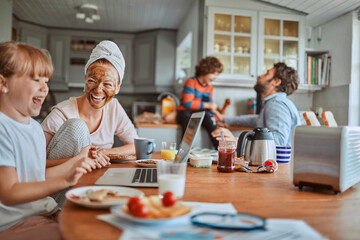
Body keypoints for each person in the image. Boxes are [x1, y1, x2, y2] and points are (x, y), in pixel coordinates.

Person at [0, 41, 100, 239]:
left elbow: (37, 177)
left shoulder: (35, 128)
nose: (44, 88)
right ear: (4, 84)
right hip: (12, 223)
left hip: (41, 213)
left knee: (93, 225)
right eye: (36, 79)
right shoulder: (2, 128)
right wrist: (65, 180)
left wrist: (78, 160)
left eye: (46, 81)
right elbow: (9, 193)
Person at [41, 40, 138, 167]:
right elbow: (33, 161)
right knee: (77, 125)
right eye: (92, 80)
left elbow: (136, 145)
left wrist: (103, 152)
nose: (98, 90)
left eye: (107, 84)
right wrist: (82, 159)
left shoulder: (113, 108)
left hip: (95, 179)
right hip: (62, 179)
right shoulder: (63, 112)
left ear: (118, 87)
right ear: (85, 80)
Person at [212, 62, 301, 146]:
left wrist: (238, 141)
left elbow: (279, 141)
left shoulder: (276, 104)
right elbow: (256, 119)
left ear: (276, 82)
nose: (260, 76)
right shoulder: (274, 102)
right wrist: (226, 120)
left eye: (266, 74)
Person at [176, 56, 223, 148]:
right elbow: (188, 103)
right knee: (187, 117)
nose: (215, 77)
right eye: (213, 73)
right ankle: (185, 150)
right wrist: (208, 105)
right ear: (204, 70)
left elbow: (210, 108)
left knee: (208, 117)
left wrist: (216, 117)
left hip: (198, 113)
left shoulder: (210, 88)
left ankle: (219, 148)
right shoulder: (191, 82)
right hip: (184, 111)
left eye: (217, 74)